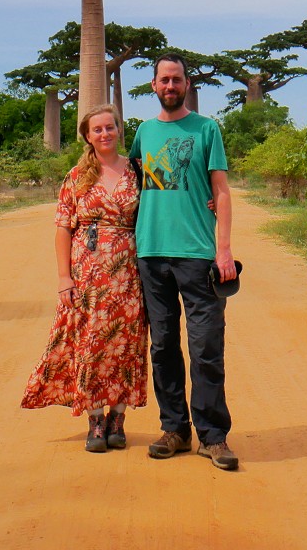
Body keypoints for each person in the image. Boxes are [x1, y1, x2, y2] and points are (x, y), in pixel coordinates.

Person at [131, 54, 239, 471]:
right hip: (151, 254)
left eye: (177, 79)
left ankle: (213, 436)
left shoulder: (207, 129)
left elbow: (221, 190)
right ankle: (174, 428)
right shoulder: (143, 133)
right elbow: (135, 185)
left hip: (197, 254)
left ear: (186, 83)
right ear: (154, 85)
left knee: (206, 347)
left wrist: (223, 248)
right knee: (162, 347)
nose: (170, 86)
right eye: (164, 80)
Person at [20, 104, 147, 452]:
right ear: (87, 137)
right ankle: (94, 420)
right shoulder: (77, 176)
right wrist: (64, 278)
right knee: (90, 344)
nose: (104, 134)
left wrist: (207, 200)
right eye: (97, 130)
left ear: (119, 130)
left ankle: (117, 419)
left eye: (110, 127)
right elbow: (63, 228)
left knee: (126, 345)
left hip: (130, 274)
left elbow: (171, 199)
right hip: (86, 274)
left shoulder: (139, 170)